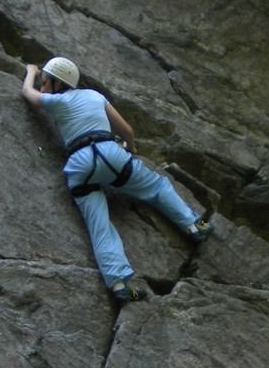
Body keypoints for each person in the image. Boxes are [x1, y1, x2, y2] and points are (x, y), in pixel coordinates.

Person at [22, 57, 213, 304]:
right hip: (110, 153)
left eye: (46, 82)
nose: (43, 88)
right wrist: (130, 150)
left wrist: (30, 71)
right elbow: (128, 131)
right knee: (157, 186)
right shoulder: (94, 96)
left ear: (59, 84)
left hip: (79, 165)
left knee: (98, 225)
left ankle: (119, 283)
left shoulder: (55, 102)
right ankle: (192, 225)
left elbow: (27, 93)